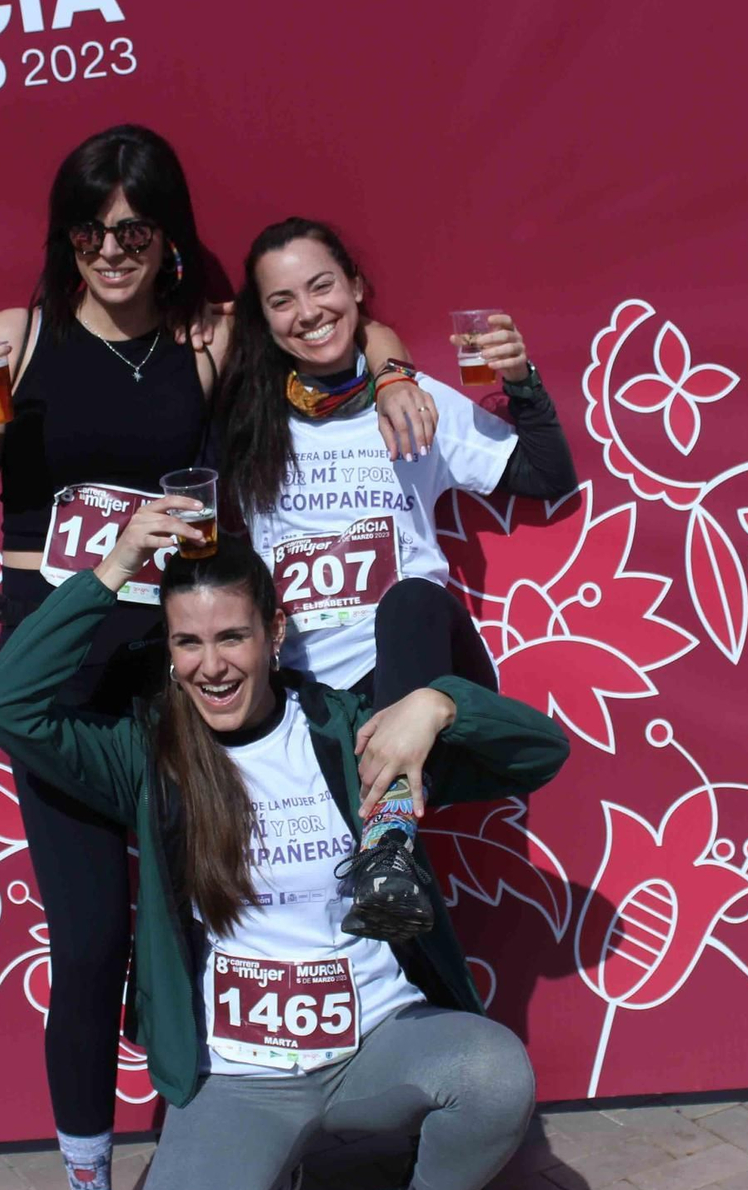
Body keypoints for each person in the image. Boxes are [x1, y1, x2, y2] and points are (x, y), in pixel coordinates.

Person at [0, 128, 437, 1190]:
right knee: (93, 936)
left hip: (178, 664)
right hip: (57, 654)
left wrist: (389, 368)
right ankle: (85, 1189)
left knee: (217, 910)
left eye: (134, 230)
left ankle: (248, 1142)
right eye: (88, 231)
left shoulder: (206, 340)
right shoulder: (14, 339)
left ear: (167, 240)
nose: (109, 251)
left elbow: (331, 316)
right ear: (64, 239)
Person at [0, 510, 568, 1190]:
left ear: (274, 633)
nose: (211, 664)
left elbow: (539, 751)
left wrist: (436, 705)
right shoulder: (148, 755)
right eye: (188, 641)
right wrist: (117, 564)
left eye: (232, 636)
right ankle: (271, 1168)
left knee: (495, 1077)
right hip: (239, 1077)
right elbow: (3, 703)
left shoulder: (348, 731)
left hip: (375, 1041)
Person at [215, 218, 578, 939]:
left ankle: (387, 843)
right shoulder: (242, 422)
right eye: (281, 300)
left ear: (356, 288)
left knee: (411, 598)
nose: (308, 311)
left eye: (322, 285)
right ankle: (389, 875)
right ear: (260, 319)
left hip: (418, 671)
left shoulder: (414, 400)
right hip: (315, 701)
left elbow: (545, 474)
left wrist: (519, 382)